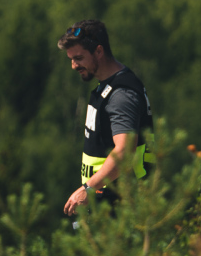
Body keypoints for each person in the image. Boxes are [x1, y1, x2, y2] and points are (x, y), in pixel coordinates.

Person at [57, 20, 154, 216]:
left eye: (79, 58)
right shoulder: (107, 87)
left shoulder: (121, 94)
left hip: (121, 210)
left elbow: (125, 151)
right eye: (71, 59)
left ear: (99, 51)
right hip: (105, 206)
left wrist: (88, 188)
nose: (74, 66)